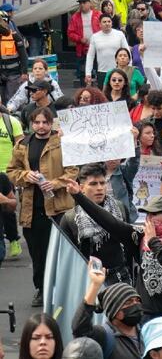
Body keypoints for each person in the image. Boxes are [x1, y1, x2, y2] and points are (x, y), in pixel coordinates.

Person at [65, 185, 162, 335]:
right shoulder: (140, 236)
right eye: (147, 214)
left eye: (154, 214)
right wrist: (78, 196)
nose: (149, 219)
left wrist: (154, 242)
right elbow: (110, 222)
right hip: (147, 317)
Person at [6, 107, 79, 306]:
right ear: (31, 124)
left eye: (44, 122)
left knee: (57, 251)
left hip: (58, 206)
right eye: (36, 122)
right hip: (31, 207)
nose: (40, 126)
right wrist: (24, 176)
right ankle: (41, 289)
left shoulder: (62, 142)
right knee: (36, 252)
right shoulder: (22, 144)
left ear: (51, 123)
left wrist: (55, 183)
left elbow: (73, 170)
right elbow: (12, 171)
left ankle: (60, 289)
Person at [60, 163, 134, 285]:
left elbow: (129, 246)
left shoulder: (120, 209)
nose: (99, 188)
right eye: (93, 184)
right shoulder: (71, 219)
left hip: (120, 277)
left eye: (102, 183)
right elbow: (66, 260)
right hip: (88, 280)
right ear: (81, 188)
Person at [72, 263, 144, 359]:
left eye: (137, 300)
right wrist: (95, 285)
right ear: (115, 311)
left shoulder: (146, 331)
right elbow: (80, 330)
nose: (136, 304)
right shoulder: (104, 336)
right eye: (128, 302)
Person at [85, 14, 129, 87]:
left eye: (109, 21)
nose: (107, 23)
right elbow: (90, 56)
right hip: (102, 72)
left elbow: (127, 53)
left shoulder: (120, 34)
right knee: (103, 96)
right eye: (104, 22)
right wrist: (88, 73)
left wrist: (128, 69)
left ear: (112, 23)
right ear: (100, 24)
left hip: (118, 70)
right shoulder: (95, 37)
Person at [67, 0, 101, 85]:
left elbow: (104, 29)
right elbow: (70, 33)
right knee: (83, 72)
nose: (82, 5)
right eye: (80, 3)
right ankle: (84, 91)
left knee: (99, 70)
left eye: (84, 2)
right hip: (82, 49)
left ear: (89, 3)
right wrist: (79, 39)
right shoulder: (75, 17)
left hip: (98, 47)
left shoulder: (98, 14)